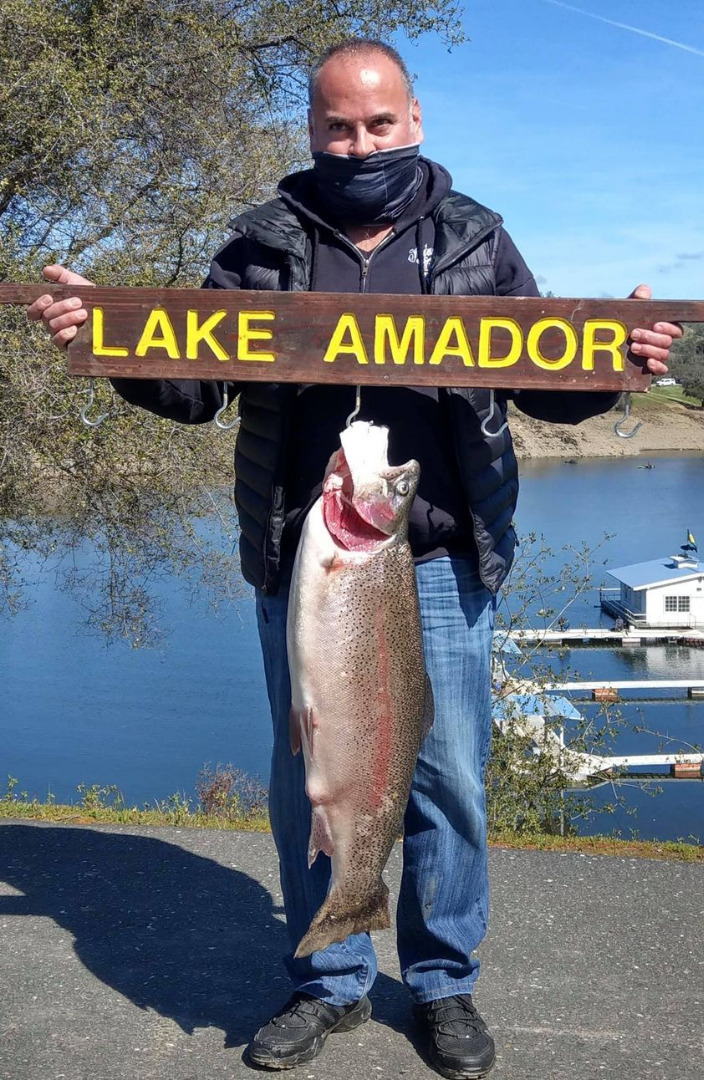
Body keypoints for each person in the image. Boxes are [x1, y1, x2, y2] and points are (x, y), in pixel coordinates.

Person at [28, 38, 682, 1079]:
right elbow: (195, 390)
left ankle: (442, 982)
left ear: (412, 122)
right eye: (338, 126)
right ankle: (327, 978)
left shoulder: (476, 240)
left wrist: (619, 367)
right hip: (308, 561)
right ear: (311, 131)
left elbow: (543, 378)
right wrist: (107, 340)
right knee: (314, 774)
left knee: (448, 780)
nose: (358, 142)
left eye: (377, 124)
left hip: (431, 555)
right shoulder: (258, 242)